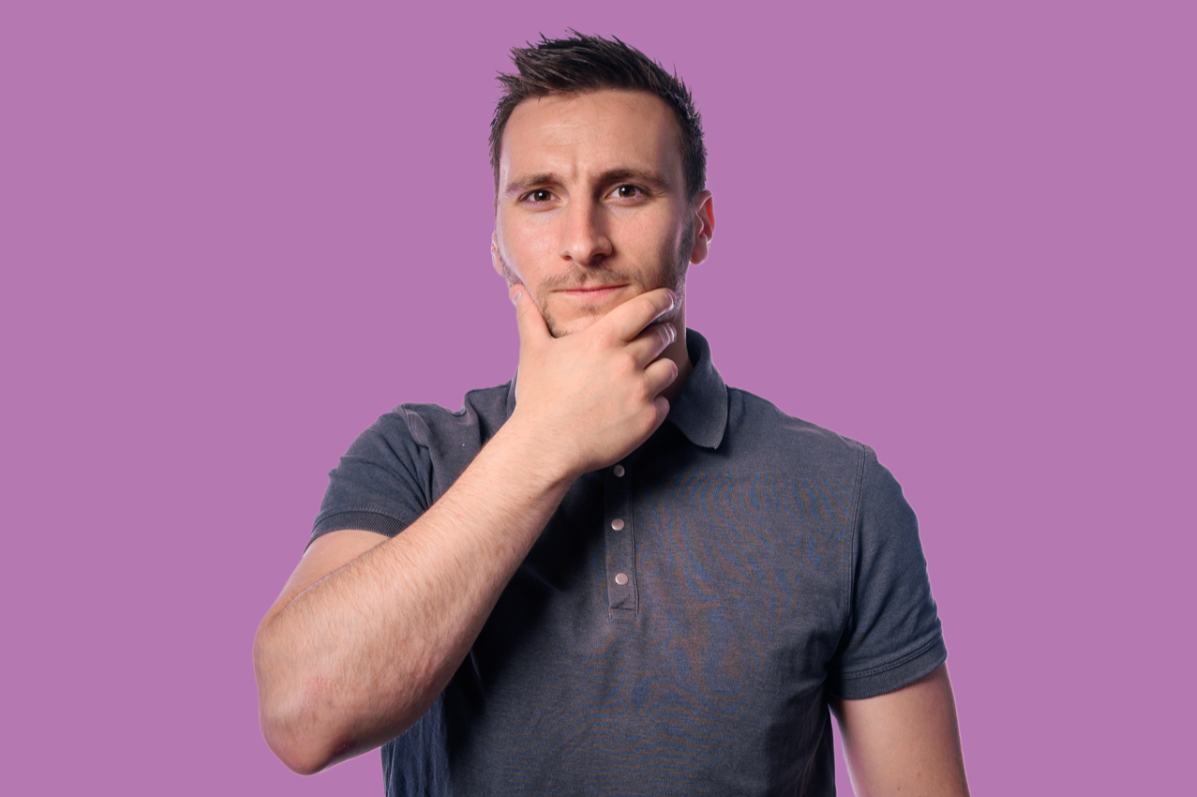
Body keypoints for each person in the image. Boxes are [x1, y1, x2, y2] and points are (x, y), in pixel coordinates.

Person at [253, 32, 970, 796]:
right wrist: (544, 442)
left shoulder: (844, 491)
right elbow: (303, 715)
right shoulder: (413, 455)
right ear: (497, 242)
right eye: (540, 195)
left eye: (626, 190)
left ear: (700, 226)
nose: (582, 243)